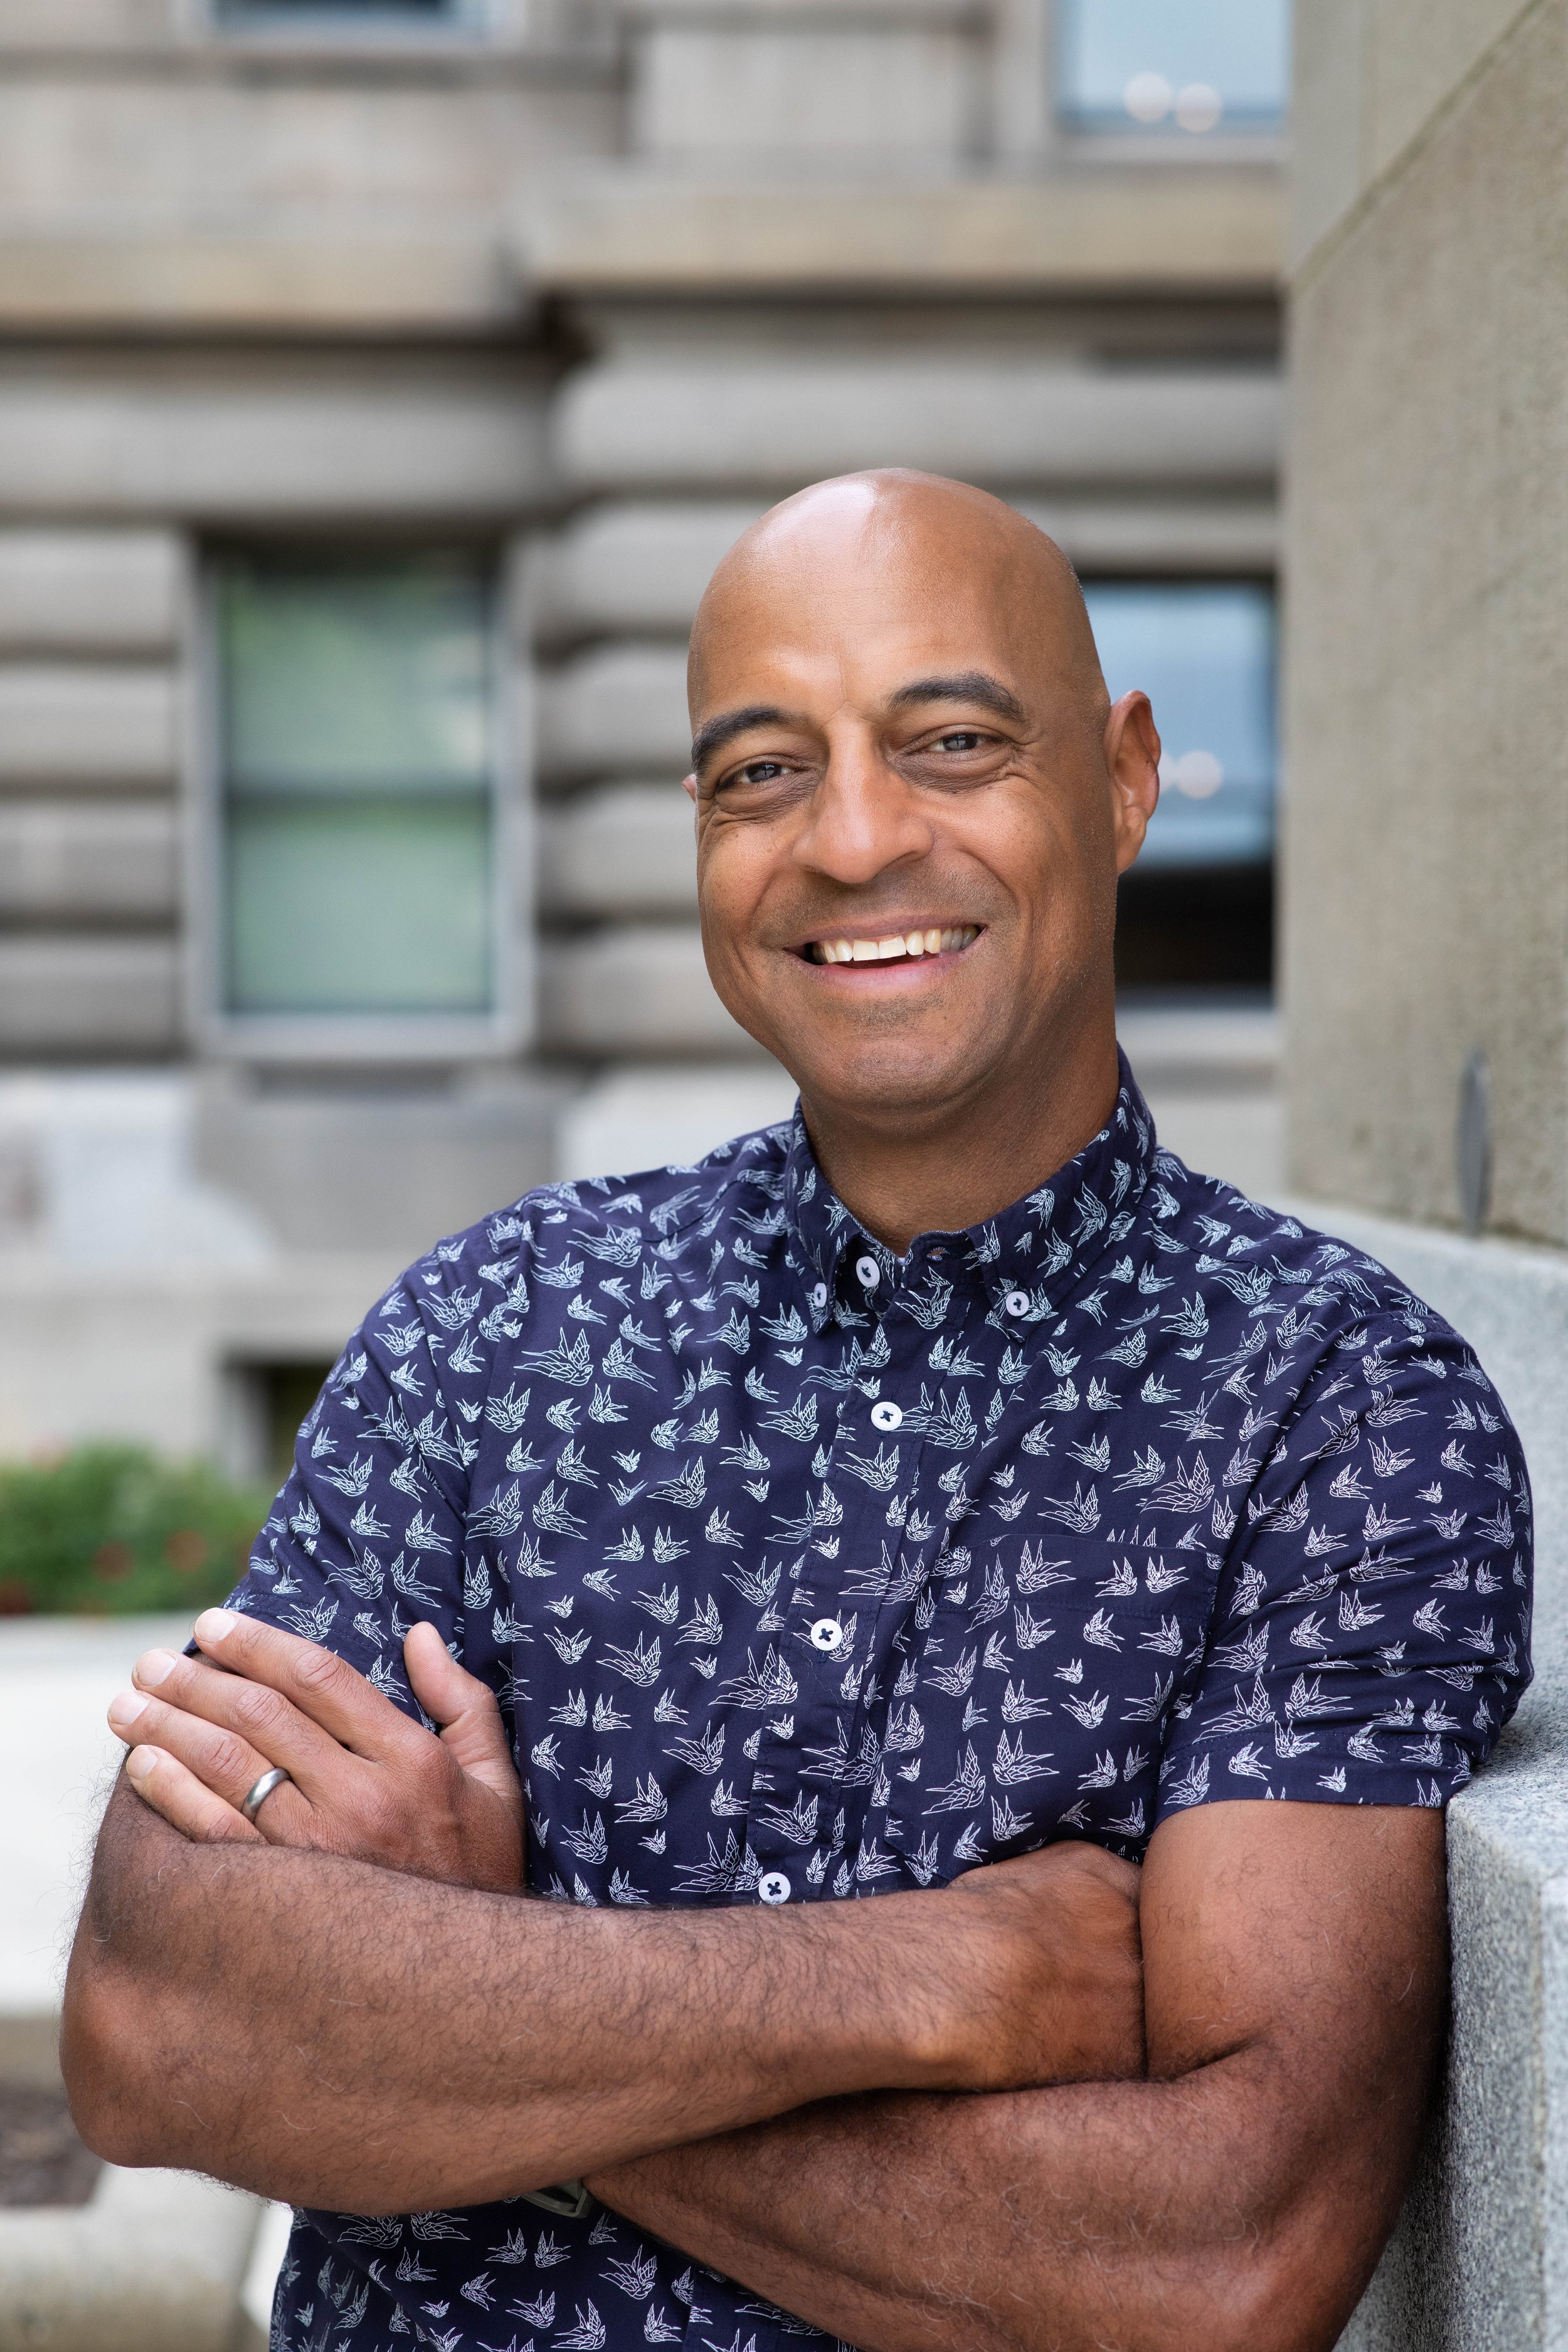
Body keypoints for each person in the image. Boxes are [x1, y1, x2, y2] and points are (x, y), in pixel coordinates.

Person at [63, 472, 1532, 2352]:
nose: (849, 839)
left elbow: (1211, 2265)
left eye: (948, 742)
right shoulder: (492, 1325)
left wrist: (491, 2004)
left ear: (1123, 779)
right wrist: (941, 1980)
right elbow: (156, 2028)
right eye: (759, 772)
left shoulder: (1333, 1417)